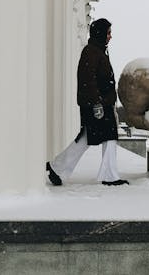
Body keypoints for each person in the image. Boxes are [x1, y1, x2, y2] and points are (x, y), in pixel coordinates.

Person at [46, 18, 129, 186]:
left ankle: (58, 167)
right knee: (103, 137)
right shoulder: (91, 52)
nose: (110, 37)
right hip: (97, 105)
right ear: (101, 33)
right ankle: (108, 176)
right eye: (108, 33)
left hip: (99, 104)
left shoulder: (97, 51)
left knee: (89, 138)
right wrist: (97, 103)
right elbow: (87, 80)